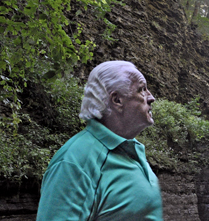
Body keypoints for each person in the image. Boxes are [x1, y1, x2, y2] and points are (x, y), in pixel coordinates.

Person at [36, 61, 163, 221]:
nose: (151, 97)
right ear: (117, 100)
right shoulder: (74, 162)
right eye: (142, 90)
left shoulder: (131, 149)